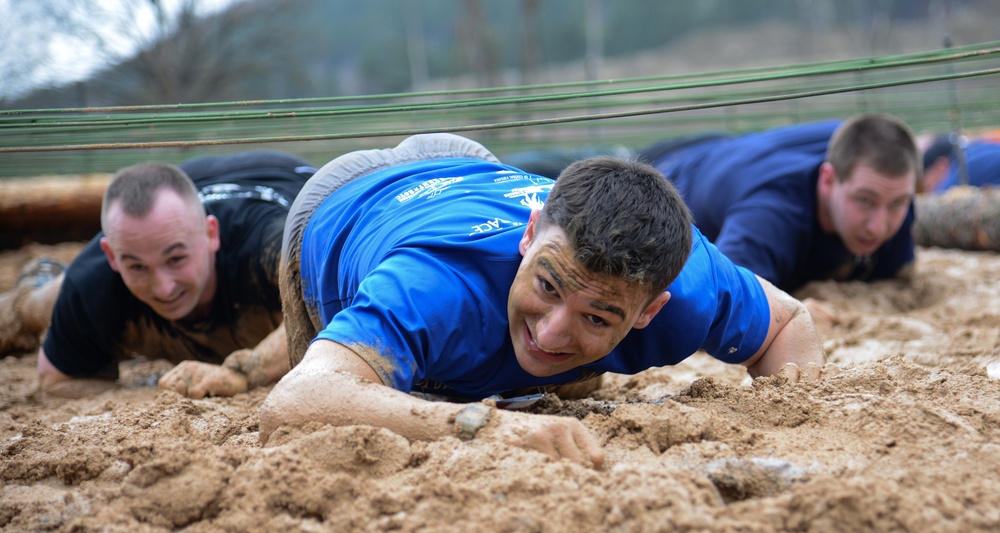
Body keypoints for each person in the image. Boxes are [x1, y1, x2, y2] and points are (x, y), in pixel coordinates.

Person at [259, 133, 826, 469]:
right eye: (549, 286)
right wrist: (484, 427)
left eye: (598, 315)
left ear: (649, 311)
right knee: (363, 402)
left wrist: (800, 440)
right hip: (342, 201)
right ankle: (252, 360)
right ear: (529, 237)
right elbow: (296, 402)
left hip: (470, 172)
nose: (553, 331)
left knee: (556, 373)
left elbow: (788, 323)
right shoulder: (432, 286)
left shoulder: (693, 287)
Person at [0, 150, 316, 398]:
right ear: (113, 256)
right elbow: (56, 379)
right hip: (174, 195)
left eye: (176, 259)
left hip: (283, 179)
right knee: (42, 304)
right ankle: (36, 281)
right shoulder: (95, 279)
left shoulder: (273, 245)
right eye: (137, 266)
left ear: (210, 235)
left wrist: (243, 373)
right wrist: (147, 393)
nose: (163, 287)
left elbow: (334, 308)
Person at [644, 113, 921, 294]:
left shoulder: (889, 192)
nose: (878, 226)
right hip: (668, 165)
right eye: (864, 201)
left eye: (898, 203)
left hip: (737, 150)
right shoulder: (772, 214)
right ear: (828, 180)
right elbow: (718, 299)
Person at [919, 132, 1000, 193]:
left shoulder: (959, 171)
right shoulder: (976, 149)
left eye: (927, 186)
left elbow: (941, 199)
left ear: (941, 166)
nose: (929, 191)